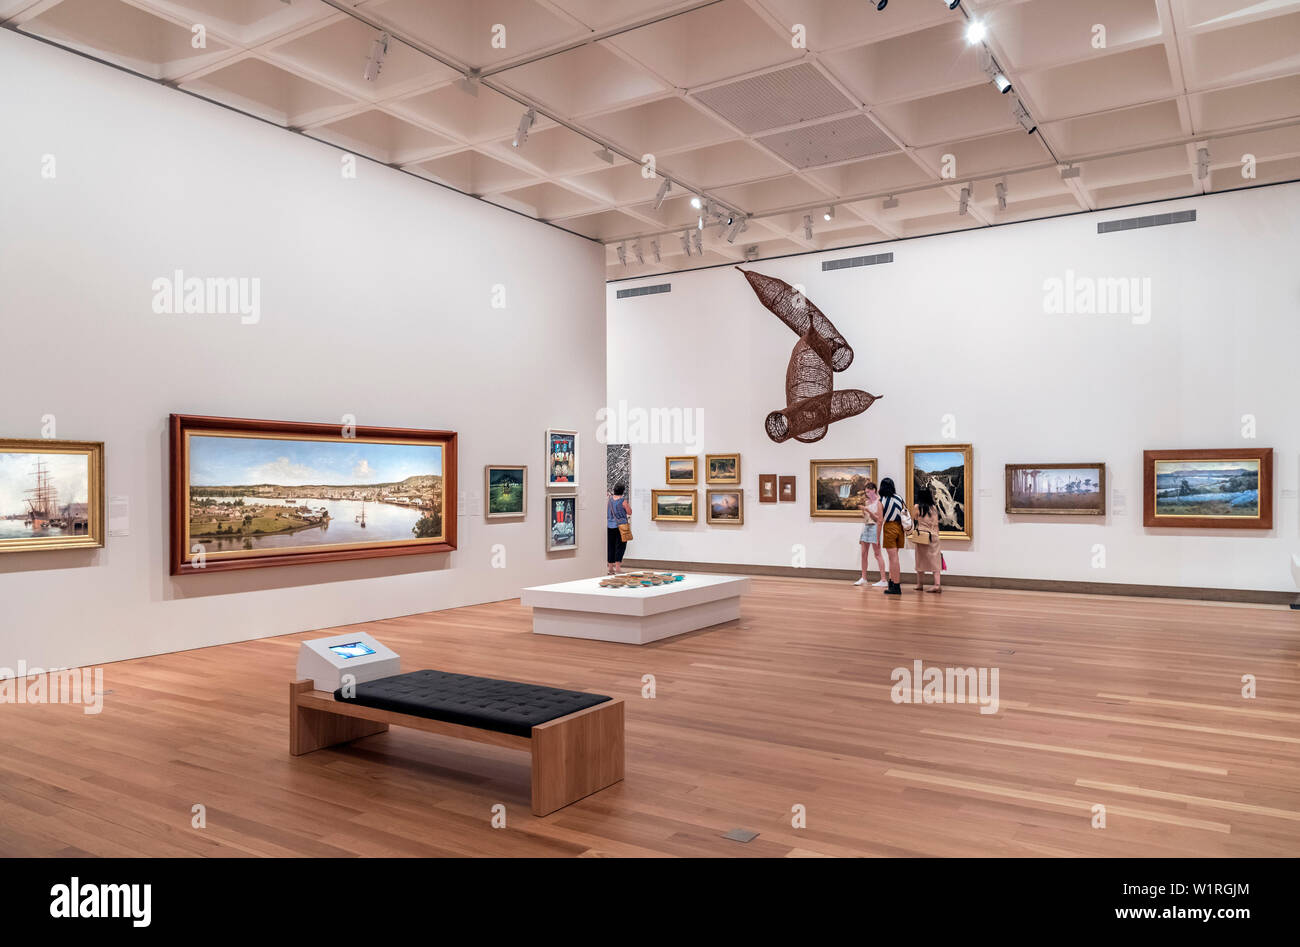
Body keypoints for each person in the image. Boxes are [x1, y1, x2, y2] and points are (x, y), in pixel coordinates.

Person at [878, 477, 908, 595]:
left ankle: (896, 586)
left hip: (889, 527)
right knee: (893, 558)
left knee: (893, 559)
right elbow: (905, 511)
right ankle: (892, 583)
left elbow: (880, 521)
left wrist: (877, 537)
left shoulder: (882, 500)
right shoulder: (899, 498)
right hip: (900, 528)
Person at [911, 484, 943, 593]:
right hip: (934, 536)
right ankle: (937, 585)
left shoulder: (917, 507)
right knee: (935, 561)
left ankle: (920, 584)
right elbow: (936, 524)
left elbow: (913, 518)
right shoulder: (933, 507)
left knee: (920, 560)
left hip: (922, 536)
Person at [855, 481, 887, 587]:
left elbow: (878, 519)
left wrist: (868, 511)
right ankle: (863, 578)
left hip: (874, 528)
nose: (867, 494)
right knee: (863, 554)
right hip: (866, 527)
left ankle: (883, 579)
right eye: (866, 492)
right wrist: (864, 511)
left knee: (877, 554)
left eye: (869, 492)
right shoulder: (867, 502)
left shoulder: (879, 502)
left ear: (874, 490)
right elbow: (865, 519)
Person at [606, 483, 632, 574]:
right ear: (622, 491)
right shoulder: (623, 501)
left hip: (609, 526)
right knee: (620, 547)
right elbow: (629, 512)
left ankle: (610, 568)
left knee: (610, 546)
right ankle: (617, 568)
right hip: (621, 527)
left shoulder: (609, 500)